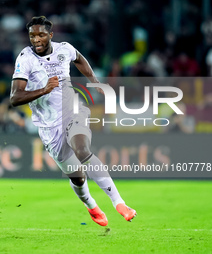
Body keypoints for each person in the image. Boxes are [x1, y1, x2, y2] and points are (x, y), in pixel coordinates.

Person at [10, 16, 136, 226]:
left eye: (41, 34)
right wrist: (44, 90)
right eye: (32, 35)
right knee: (77, 178)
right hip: (49, 127)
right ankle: (91, 205)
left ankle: (119, 203)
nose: (36, 39)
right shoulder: (25, 59)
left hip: (73, 112)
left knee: (83, 150)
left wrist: (95, 83)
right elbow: (15, 98)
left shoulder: (64, 49)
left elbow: (79, 59)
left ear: (50, 35)